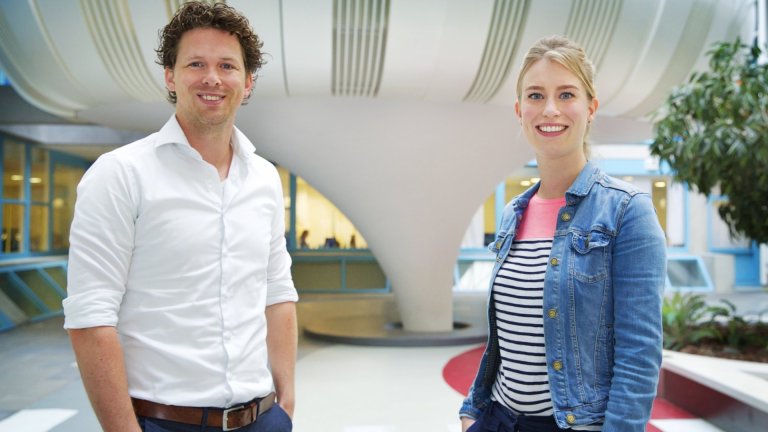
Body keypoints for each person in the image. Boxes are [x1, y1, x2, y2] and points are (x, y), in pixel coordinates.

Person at [63, 3, 298, 431]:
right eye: (196, 64)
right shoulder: (120, 175)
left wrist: (287, 401)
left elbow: (277, 291)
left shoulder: (263, 177)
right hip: (163, 422)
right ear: (171, 76)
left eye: (227, 65)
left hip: (263, 418)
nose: (212, 77)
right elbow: (90, 317)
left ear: (247, 82)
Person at [459, 36, 666, 432]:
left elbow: (639, 357)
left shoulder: (627, 212)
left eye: (566, 94)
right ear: (519, 111)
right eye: (535, 95)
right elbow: (505, 342)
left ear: (591, 108)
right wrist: (473, 415)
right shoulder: (511, 214)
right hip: (498, 419)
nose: (550, 109)